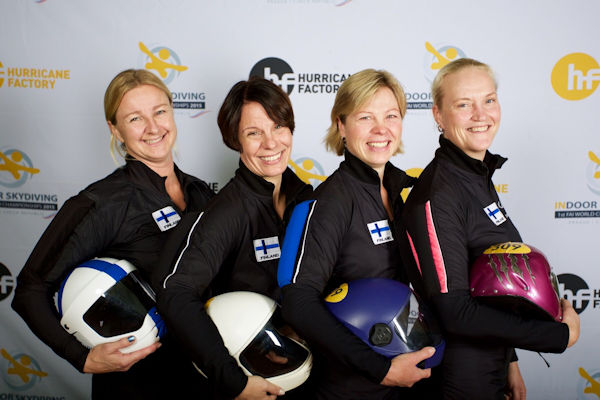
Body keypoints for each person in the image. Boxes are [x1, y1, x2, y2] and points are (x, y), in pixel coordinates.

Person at [11, 69, 215, 399]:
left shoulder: (201, 192)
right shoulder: (104, 202)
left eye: (159, 112)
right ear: (115, 130)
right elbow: (29, 290)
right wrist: (82, 357)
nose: (153, 127)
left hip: (205, 378)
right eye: (135, 118)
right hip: (137, 384)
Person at [400, 58, 580, 400]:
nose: (480, 115)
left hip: (491, 367)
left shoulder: (475, 175)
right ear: (438, 115)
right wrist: (559, 337)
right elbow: (455, 312)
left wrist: (510, 362)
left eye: (489, 100)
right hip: (458, 378)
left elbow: (492, 287)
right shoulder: (439, 194)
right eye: (463, 105)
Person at [277, 69, 435, 400]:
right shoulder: (330, 202)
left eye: (391, 116)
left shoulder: (403, 192)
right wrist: (380, 370)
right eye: (366, 117)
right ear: (341, 125)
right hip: (349, 386)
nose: (381, 129)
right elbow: (297, 302)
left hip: (406, 377)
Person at [156, 76, 313, 400]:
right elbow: (176, 293)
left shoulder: (306, 199)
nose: (271, 143)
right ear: (235, 140)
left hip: (304, 372)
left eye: (278, 127)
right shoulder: (228, 210)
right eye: (254, 133)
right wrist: (233, 381)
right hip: (252, 381)